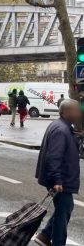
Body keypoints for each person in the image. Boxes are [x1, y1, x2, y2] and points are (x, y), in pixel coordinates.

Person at [35, 99, 81, 246]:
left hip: (61, 178)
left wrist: (76, 136)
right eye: (76, 110)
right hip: (61, 180)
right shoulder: (62, 130)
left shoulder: (63, 127)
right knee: (63, 213)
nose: (79, 113)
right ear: (65, 112)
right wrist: (57, 180)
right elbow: (53, 157)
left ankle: (44, 236)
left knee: (65, 208)